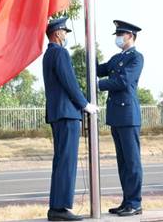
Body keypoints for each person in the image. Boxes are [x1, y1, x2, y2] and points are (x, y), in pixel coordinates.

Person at [43, 17, 99, 221]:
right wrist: (85, 104)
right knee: (67, 161)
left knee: (61, 160)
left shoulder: (48, 54)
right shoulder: (59, 52)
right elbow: (69, 83)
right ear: (57, 33)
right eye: (64, 32)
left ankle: (56, 206)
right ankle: (61, 207)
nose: (66, 35)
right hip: (67, 113)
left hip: (58, 113)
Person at [97, 20, 144, 217]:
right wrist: (88, 56)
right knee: (123, 162)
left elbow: (123, 81)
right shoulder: (116, 58)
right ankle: (127, 201)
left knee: (132, 161)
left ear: (130, 36)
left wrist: (99, 84)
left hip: (128, 115)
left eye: (121, 34)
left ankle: (135, 202)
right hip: (116, 116)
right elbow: (100, 69)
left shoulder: (136, 58)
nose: (118, 38)